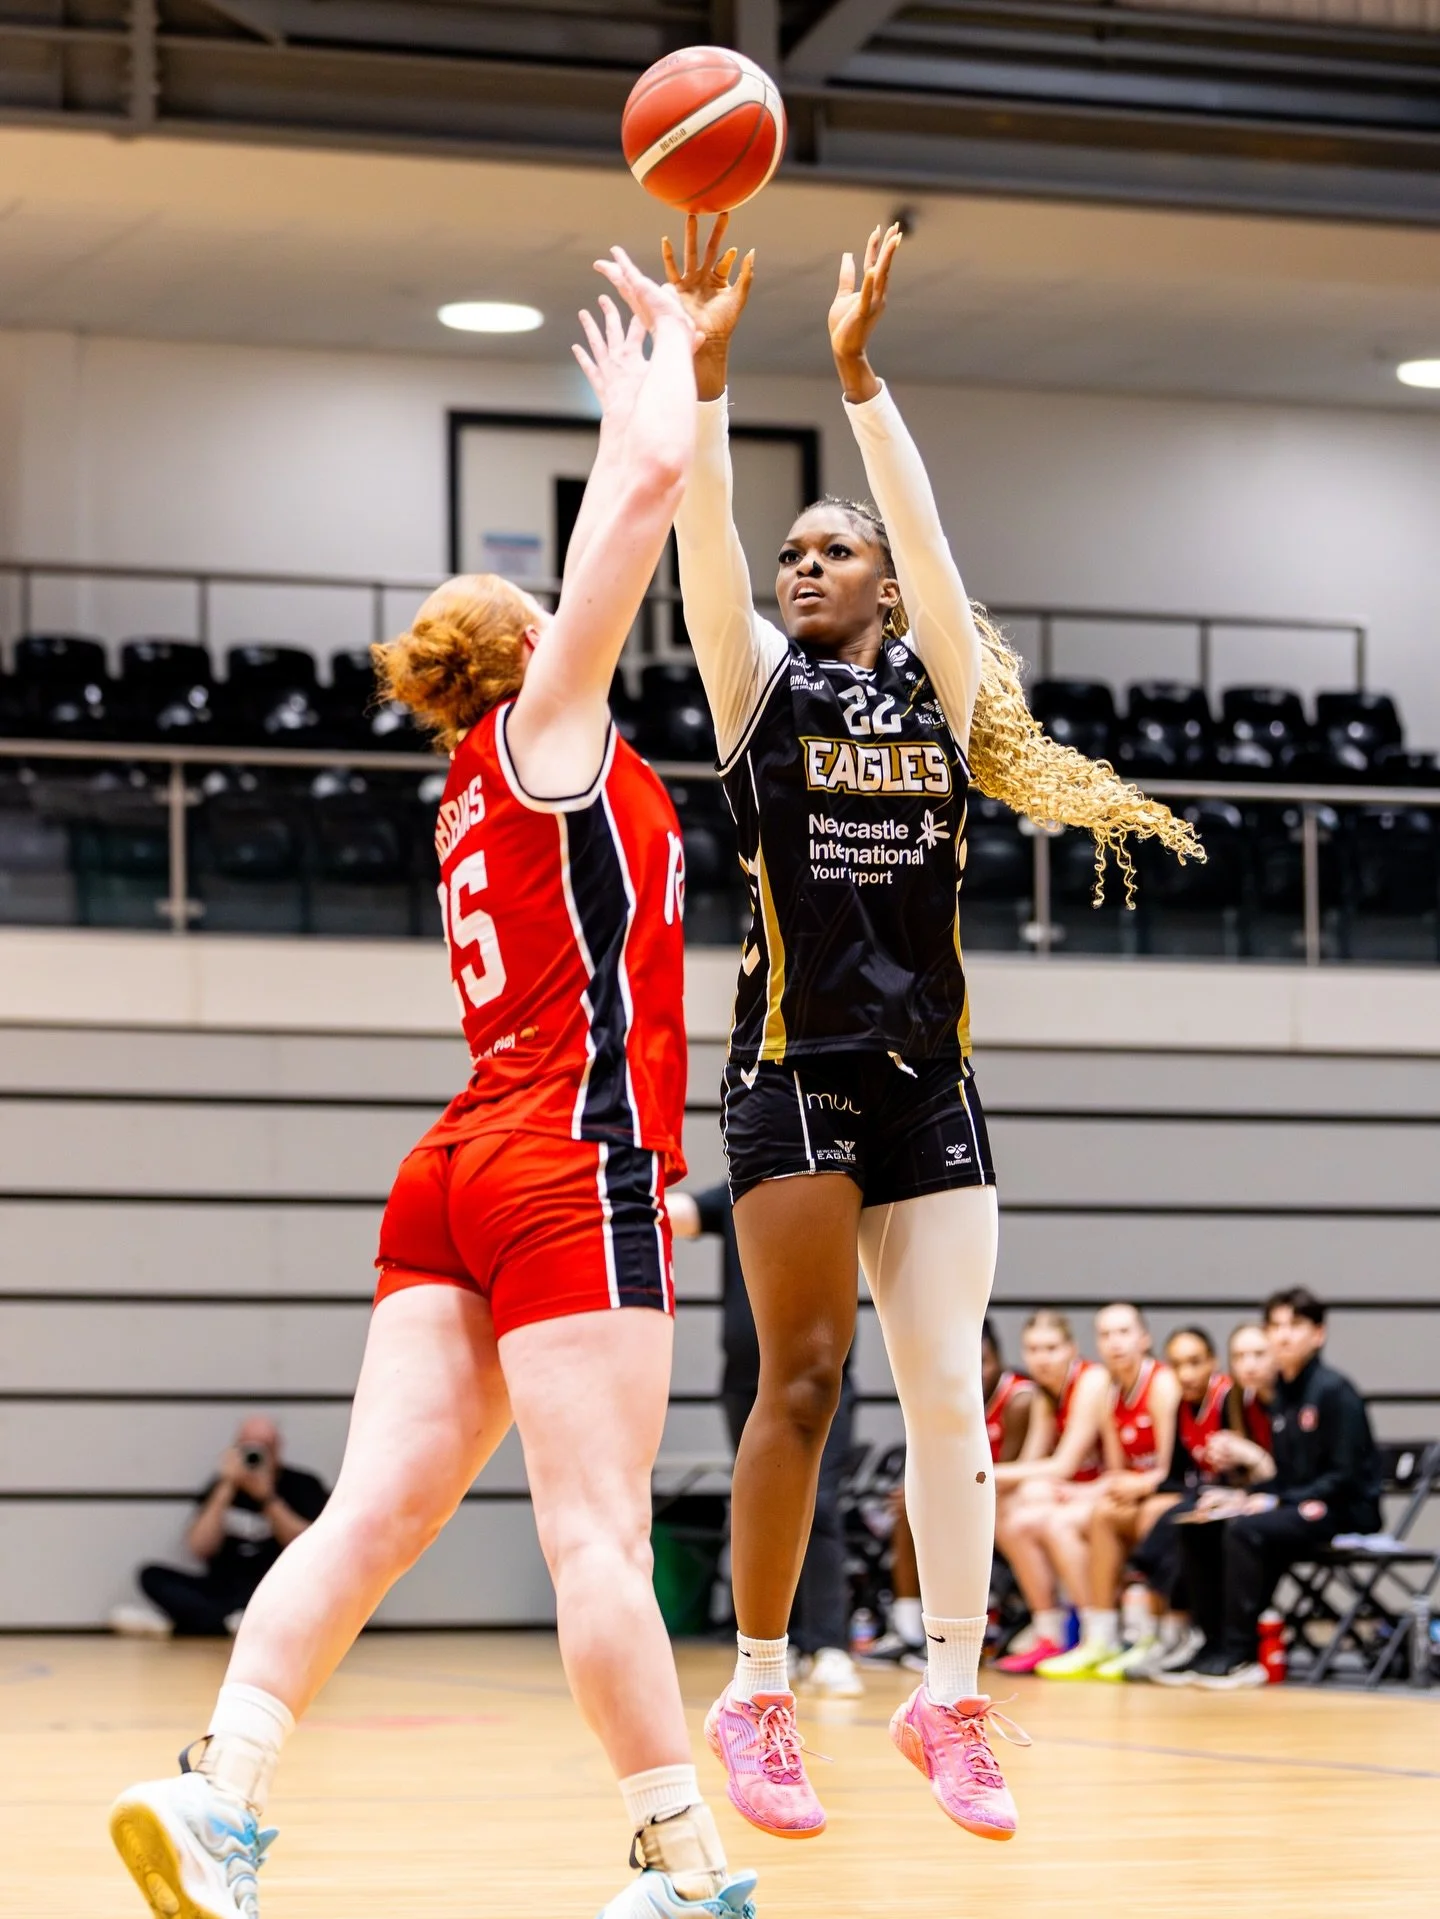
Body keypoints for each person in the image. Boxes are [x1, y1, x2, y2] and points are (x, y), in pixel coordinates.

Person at [110, 252, 760, 1919]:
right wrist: (667, 366)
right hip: (568, 1155)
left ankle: (219, 1789)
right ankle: (687, 1868)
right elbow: (650, 498)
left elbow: (619, 511)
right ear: (531, 643)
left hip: (456, 1163)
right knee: (596, 1534)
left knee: (368, 1514)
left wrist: (635, 414)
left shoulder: (479, 778)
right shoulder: (554, 727)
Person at [665, 211, 1198, 1843]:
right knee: (806, 1379)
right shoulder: (758, 683)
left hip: (932, 1082)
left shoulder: (945, 687)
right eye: (794, 551)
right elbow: (701, 534)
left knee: (950, 1391)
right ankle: (759, 1688)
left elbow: (935, 544)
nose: (801, 563)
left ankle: (948, 1697)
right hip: (793, 1072)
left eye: (834, 549)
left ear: (887, 584)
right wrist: (704, 386)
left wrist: (860, 380)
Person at [668, 1183, 861, 1698]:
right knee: (767, 1504)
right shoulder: (739, 1190)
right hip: (745, 1385)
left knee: (820, 1504)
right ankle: (783, 1641)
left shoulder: (833, 1187)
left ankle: (829, 1645)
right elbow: (674, 1211)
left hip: (818, 1384)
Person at [1158, 1287, 1382, 1691]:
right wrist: (1243, 1497)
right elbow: (1289, 1475)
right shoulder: (1282, 1398)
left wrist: (1275, 1499)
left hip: (1343, 1510)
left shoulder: (1334, 1392)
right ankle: (1212, 1644)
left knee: (1246, 1529)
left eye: (1295, 1326)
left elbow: (1343, 1478)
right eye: (1275, 1326)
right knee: (1201, 1523)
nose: (1283, 1335)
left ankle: (1242, 1653)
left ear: (1318, 1334)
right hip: (1298, 1505)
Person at [868, 1318, 1037, 1668]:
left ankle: (957, 1636)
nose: (978, 1372)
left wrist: (941, 1495)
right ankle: (907, 1630)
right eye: (969, 1364)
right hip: (967, 1495)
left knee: (940, 1513)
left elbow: (1002, 1476)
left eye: (984, 1362)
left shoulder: (1018, 1400)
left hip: (1008, 1497)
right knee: (910, 1508)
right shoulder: (949, 1396)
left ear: (999, 1358)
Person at [1035, 1304, 1181, 1677]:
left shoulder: (1161, 1384)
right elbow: (1117, 1472)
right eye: (1106, 1335)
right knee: (1095, 1516)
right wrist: (1086, 1492)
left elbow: (1171, 1470)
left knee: (1143, 1517)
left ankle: (1155, 1635)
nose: (1115, 1343)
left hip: (1170, 1489)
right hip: (1135, 1491)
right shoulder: (1109, 1392)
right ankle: (1100, 1637)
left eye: (1123, 1332)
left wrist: (1135, 1486)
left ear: (1144, 1338)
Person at [110, 1419, 327, 1640]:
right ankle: (237, 1621)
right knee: (151, 1575)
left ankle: (183, 1624)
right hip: (222, 1587)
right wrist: (226, 1487)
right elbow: (199, 1547)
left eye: (264, 1447)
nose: (255, 1455)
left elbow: (309, 1548)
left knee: (307, 1596)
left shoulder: (303, 1485)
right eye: (248, 1447)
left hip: (274, 1587)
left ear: (277, 1449)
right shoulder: (221, 1485)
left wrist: (267, 1498)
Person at [992, 1311, 1111, 1673]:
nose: (1042, 1358)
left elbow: (1063, 1464)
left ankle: (1093, 1633)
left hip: (1104, 1486)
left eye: (1051, 1348)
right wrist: (991, 1483)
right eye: (1033, 1349)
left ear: (1071, 1348)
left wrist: (986, 1473)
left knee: (1048, 1519)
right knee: (1010, 1517)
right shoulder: (1046, 1393)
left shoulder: (1091, 1380)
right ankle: (1048, 1630)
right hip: (1076, 1490)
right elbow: (1032, 1461)